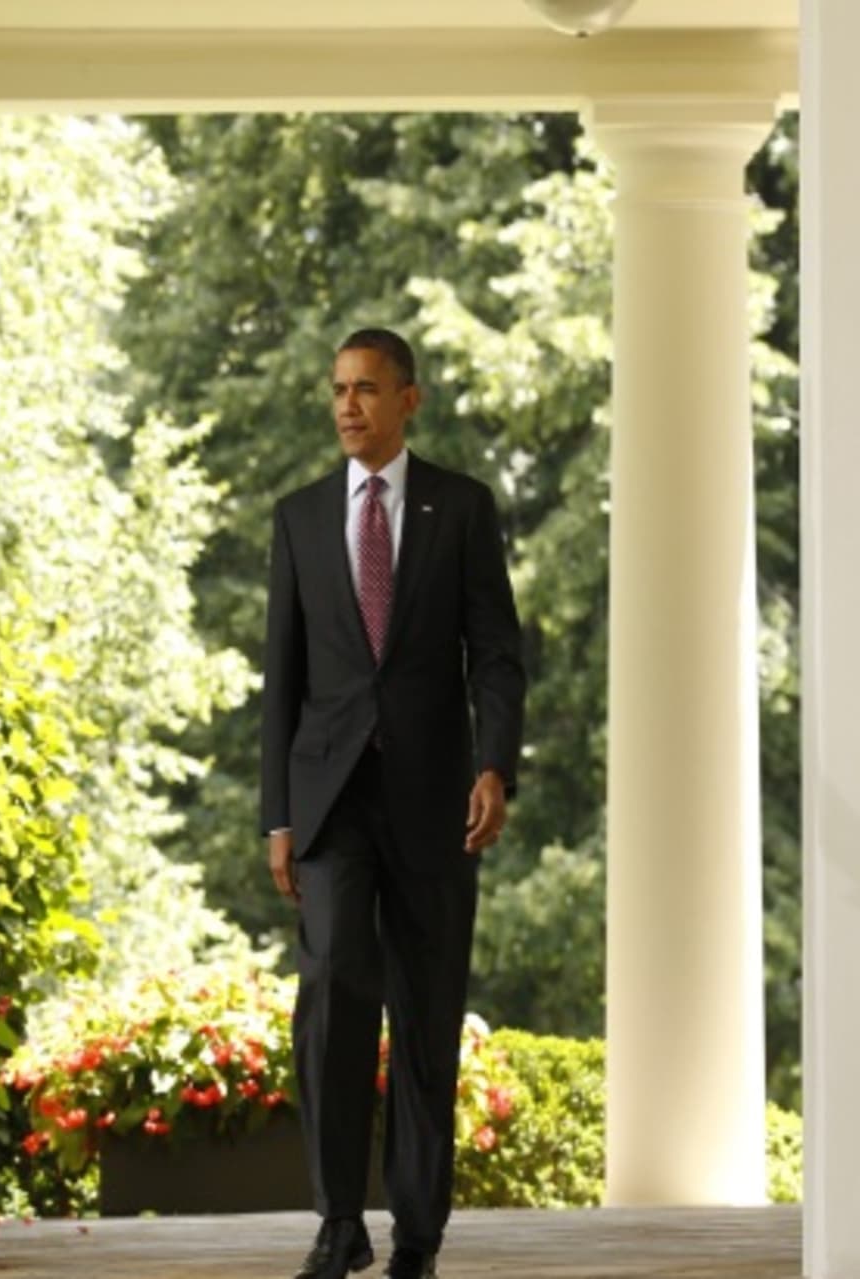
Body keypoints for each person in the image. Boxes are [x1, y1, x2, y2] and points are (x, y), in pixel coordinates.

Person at [260, 328, 527, 1279]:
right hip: (330, 802)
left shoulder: (462, 507)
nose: (347, 405)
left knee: (425, 1012)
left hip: (435, 800)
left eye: (367, 389)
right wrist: (278, 816)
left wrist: (494, 766)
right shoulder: (298, 517)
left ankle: (417, 1233)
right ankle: (339, 1222)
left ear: (408, 399)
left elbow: (496, 652)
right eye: (338, 389)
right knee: (333, 997)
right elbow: (283, 678)